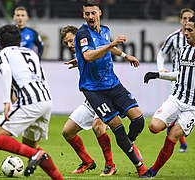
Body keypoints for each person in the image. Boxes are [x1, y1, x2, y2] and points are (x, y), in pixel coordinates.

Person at [141, 15, 195, 178]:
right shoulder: (183, 50)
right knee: (153, 128)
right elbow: (181, 74)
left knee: (173, 136)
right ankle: (172, 123)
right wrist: (158, 75)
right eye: (185, 29)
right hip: (177, 99)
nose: (185, 33)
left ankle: (153, 171)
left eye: (189, 30)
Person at [74, 0, 148, 177]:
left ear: (100, 13)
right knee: (117, 126)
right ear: (83, 15)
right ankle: (140, 167)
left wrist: (124, 55)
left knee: (139, 121)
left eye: (93, 13)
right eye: (87, 14)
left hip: (113, 83)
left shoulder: (105, 30)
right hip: (93, 90)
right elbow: (88, 55)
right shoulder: (83, 34)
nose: (90, 17)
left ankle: (128, 143)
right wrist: (111, 44)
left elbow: (108, 47)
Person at [61, 25, 142, 176]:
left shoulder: (88, 41)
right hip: (92, 98)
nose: (70, 45)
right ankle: (87, 162)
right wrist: (78, 61)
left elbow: (102, 51)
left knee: (98, 126)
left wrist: (125, 56)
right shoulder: (81, 51)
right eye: (66, 43)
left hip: (106, 95)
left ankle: (110, 165)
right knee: (67, 132)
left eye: (71, 41)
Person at [0, 24, 63, 180]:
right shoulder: (31, 53)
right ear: (19, 40)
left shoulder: (2, 54)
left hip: (29, 101)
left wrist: (7, 101)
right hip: (46, 100)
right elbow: (42, 75)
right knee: (29, 147)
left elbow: (6, 72)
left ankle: (37, 154)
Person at [157, 8, 195, 153]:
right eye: (184, 18)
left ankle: (178, 141)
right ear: (181, 20)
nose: (187, 21)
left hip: (194, 86)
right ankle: (179, 142)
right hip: (177, 81)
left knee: (178, 118)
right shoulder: (173, 37)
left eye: (190, 18)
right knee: (171, 115)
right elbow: (161, 54)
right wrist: (160, 69)